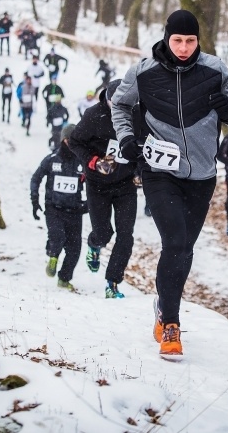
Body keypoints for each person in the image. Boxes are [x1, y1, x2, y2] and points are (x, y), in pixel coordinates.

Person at [111, 9, 228, 356]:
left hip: (202, 175)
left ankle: (163, 303)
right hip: (159, 172)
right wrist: (127, 137)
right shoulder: (142, 72)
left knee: (184, 247)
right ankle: (171, 323)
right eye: (178, 40)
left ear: (198, 40)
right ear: (166, 38)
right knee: (174, 242)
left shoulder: (215, 69)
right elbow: (119, 105)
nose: (185, 47)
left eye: (191, 40)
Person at [69, 80, 138, 299]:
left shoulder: (137, 115)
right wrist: (93, 161)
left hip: (125, 184)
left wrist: (139, 172)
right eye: (113, 103)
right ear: (106, 99)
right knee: (103, 233)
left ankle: (112, 283)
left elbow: (145, 145)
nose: (118, 107)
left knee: (126, 235)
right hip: (97, 184)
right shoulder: (93, 115)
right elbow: (75, 142)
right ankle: (94, 245)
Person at [30, 124, 87, 292]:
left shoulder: (82, 161)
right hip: (54, 209)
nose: (73, 144)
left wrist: (89, 205)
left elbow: (94, 185)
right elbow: (36, 178)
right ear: (63, 140)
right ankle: (53, 256)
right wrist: (35, 199)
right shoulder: (52, 159)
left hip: (75, 211)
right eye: (70, 140)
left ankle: (64, 278)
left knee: (75, 249)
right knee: (58, 238)